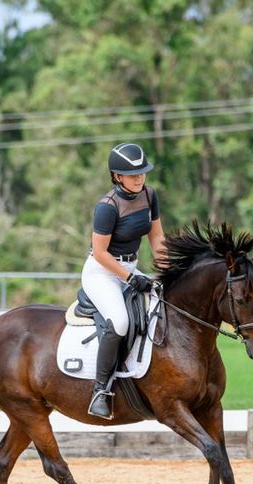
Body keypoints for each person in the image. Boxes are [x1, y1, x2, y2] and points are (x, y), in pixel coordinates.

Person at [82, 143, 166, 419]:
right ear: (117, 176)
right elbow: (100, 253)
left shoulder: (149, 195)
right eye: (132, 175)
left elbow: (156, 237)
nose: (139, 178)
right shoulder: (107, 207)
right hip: (102, 272)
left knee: (167, 303)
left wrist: (168, 269)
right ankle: (100, 391)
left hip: (130, 268)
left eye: (142, 172)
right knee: (120, 322)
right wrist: (129, 278)